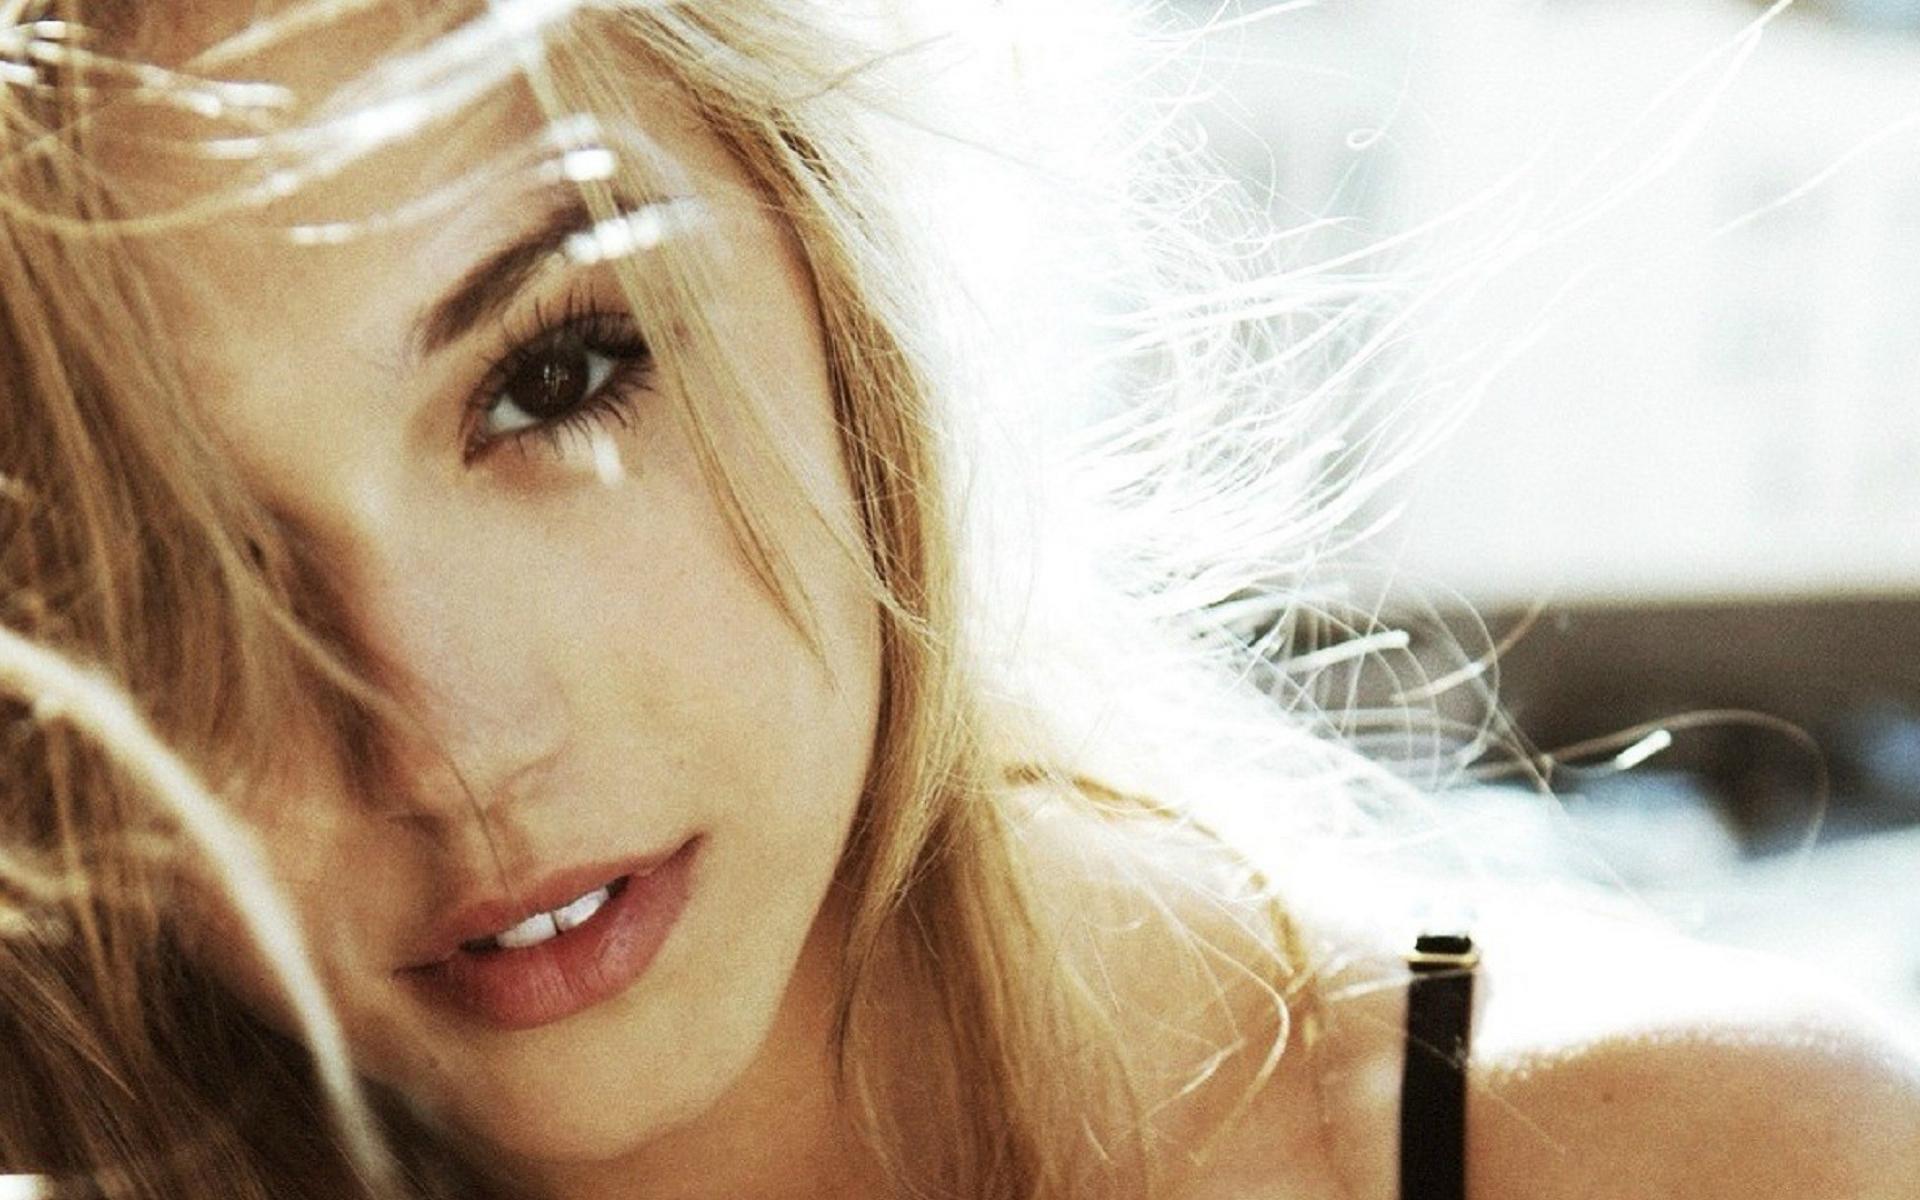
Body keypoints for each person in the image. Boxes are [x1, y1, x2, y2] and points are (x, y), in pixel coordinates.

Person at [1, 1, 1915, 1197]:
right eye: (160, 570)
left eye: (557, 378)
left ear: (816, 246)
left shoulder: (1703, 1161)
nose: (450, 746)